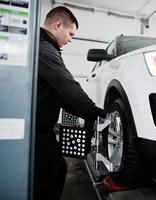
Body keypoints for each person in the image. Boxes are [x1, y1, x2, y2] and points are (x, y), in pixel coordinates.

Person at [34, 6, 106, 200]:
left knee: (53, 169)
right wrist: (94, 112)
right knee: (54, 171)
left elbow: (61, 95)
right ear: (58, 25)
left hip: (40, 129)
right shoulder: (44, 48)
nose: (70, 39)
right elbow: (68, 86)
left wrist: (87, 113)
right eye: (71, 34)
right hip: (35, 131)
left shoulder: (43, 46)